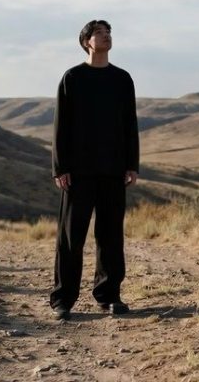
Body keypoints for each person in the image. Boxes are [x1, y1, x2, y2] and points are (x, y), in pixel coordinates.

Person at [49, 19, 139, 320]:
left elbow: (130, 124)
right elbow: (60, 126)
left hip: (113, 169)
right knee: (71, 237)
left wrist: (132, 164)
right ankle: (63, 299)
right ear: (86, 41)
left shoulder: (122, 79)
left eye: (108, 32)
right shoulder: (72, 78)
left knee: (111, 235)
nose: (106, 36)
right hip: (78, 172)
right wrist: (60, 167)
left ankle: (109, 296)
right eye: (99, 33)